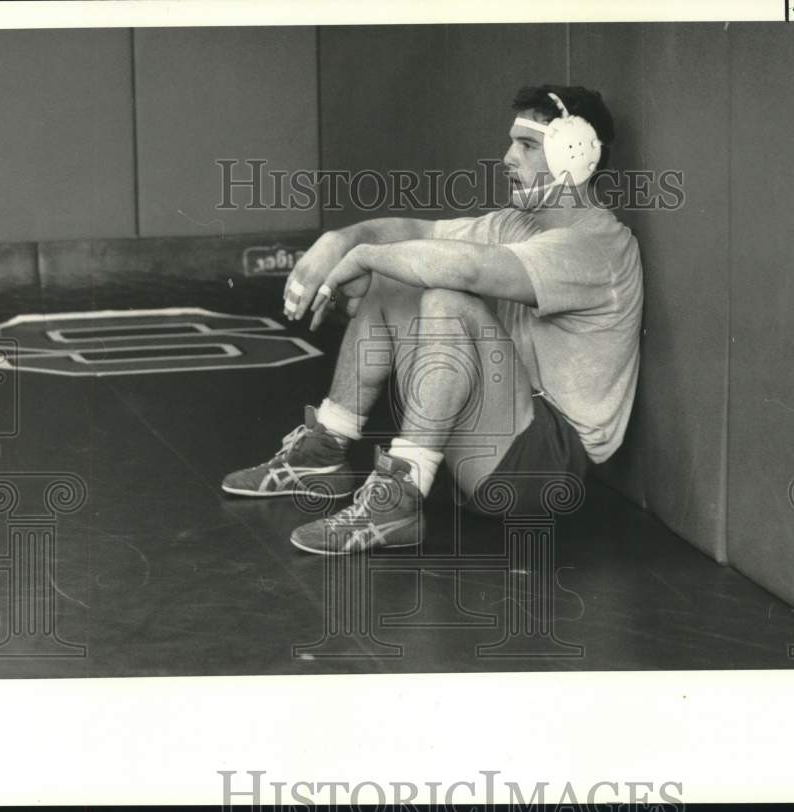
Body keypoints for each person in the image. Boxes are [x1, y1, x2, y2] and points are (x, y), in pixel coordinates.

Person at [221, 85, 644, 556]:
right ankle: (324, 450)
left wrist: (364, 257)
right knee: (397, 272)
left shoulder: (598, 246)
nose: (507, 158)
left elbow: (464, 270)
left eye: (526, 146)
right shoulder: (517, 224)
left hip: (543, 468)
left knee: (444, 294)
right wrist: (342, 240)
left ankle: (398, 500)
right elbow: (415, 234)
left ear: (575, 152)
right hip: (500, 440)